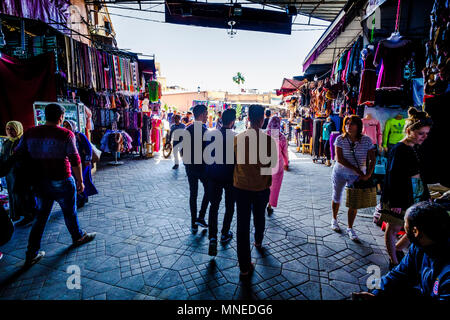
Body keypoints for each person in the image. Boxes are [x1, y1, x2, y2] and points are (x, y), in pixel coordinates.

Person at [15, 103, 96, 266]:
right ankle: (77, 236)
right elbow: (75, 159)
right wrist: (80, 181)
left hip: (39, 182)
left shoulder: (30, 132)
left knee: (41, 217)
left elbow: (18, 153)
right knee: (69, 212)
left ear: (45, 116)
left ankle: (31, 252)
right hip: (62, 179)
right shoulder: (66, 134)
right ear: (61, 117)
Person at [352, 201, 449, 300]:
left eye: (405, 227)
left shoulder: (447, 274)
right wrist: (376, 293)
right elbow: (400, 273)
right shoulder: (419, 247)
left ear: (416, 232)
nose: (404, 232)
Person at [381, 108, 432, 269]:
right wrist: (395, 201)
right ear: (409, 130)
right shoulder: (399, 149)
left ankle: (397, 249)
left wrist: (426, 194)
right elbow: (392, 176)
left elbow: (420, 175)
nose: (424, 137)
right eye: (421, 133)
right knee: (394, 228)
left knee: (416, 227)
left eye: (426, 133)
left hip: (415, 193)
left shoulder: (415, 147)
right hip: (399, 195)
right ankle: (394, 260)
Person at [233, 104, 277, 278]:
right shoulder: (268, 141)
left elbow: (234, 162)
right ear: (262, 119)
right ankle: (258, 241)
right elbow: (270, 167)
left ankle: (244, 267)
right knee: (259, 217)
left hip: (241, 187)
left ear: (249, 118)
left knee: (242, 226)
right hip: (260, 188)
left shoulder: (238, 138)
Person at [331, 115, 376, 241]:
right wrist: (357, 169)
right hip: (340, 172)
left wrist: (369, 174)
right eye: (347, 123)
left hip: (357, 176)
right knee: (337, 196)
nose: (348, 126)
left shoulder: (367, 140)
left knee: (354, 202)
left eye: (351, 124)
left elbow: (373, 159)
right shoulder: (340, 139)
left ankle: (350, 228)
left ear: (358, 126)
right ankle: (334, 220)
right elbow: (339, 158)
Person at [206, 109, 237, 256]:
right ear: (232, 121)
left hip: (214, 176)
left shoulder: (212, 135)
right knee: (230, 205)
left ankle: (213, 237)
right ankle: (225, 233)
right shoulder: (235, 137)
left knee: (214, 206)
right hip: (230, 178)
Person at [0, 121, 35, 226]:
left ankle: (30, 215)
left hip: (22, 173)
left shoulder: (23, 142)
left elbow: (29, 158)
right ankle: (20, 215)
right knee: (14, 194)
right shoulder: (6, 143)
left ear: (18, 129)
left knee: (24, 195)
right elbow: (3, 157)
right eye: (8, 129)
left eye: (12, 129)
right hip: (10, 174)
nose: (10, 131)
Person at [182, 105, 209, 233]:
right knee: (209, 191)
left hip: (190, 167)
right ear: (202, 114)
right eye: (206, 113)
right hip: (202, 168)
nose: (207, 116)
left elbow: (182, 150)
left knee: (193, 194)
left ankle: (194, 222)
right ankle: (201, 216)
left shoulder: (187, 129)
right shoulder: (205, 131)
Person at [63, 120, 98, 208]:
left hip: (83, 163)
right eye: (65, 126)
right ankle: (81, 197)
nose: (66, 128)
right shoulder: (66, 136)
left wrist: (87, 160)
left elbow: (88, 148)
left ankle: (81, 198)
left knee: (81, 179)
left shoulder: (79, 135)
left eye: (68, 126)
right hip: (72, 163)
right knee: (75, 180)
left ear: (72, 126)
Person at [265, 117, 289, 216]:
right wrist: (286, 163)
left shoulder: (264, 135)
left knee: (264, 185)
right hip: (277, 166)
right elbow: (285, 153)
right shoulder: (282, 137)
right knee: (274, 188)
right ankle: (269, 206)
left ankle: (262, 202)